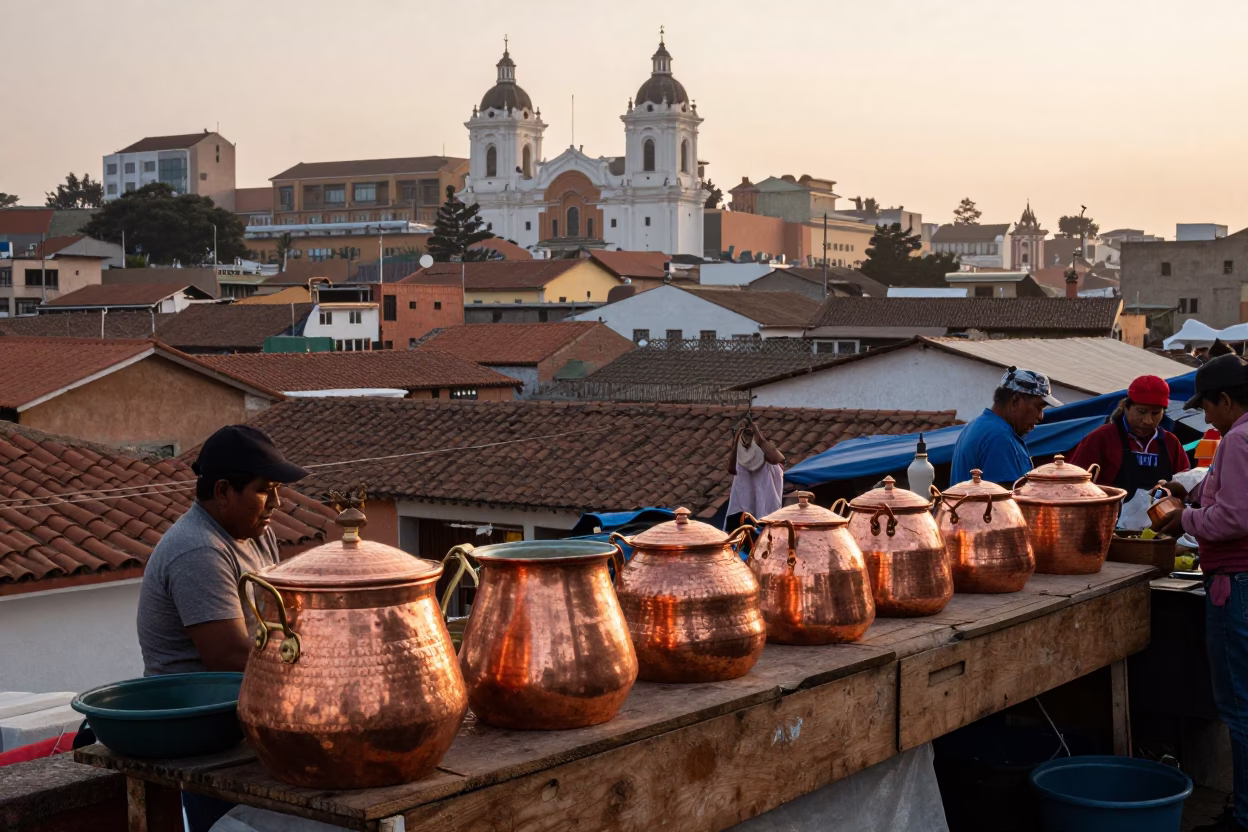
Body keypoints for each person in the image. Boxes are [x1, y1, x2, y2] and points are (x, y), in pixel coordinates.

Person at [136, 424, 308, 832]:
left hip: (244, 711)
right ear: (224, 491)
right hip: (202, 730)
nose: (276, 503)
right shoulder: (198, 549)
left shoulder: (253, 534)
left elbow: (277, 621)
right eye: (265, 489)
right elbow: (229, 656)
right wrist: (316, 673)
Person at [1152, 354, 1248, 832]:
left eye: (1208, 407)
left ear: (1226, 400)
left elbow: (1233, 518)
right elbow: (1221, 491)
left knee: (1238, 707)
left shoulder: (1238, 439)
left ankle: (1244, 817)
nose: (1205, 418)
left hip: (1236, 584)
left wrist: (1182, 519)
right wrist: (1187, 490)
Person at [1068, 375, 1189, 499]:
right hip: (1109, 515)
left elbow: (1185, 486)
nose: (1148, 421)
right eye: (1141, 411)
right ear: (1125, 406)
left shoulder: (1170, 443)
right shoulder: (1101, 438)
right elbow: (1073, 485)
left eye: (1155, 413)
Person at [950, 366, 1061, 486]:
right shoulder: (1000, 438)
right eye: (1038, 407)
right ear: (1015, 401)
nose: (1040, 416)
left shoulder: (975, 426)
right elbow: (1007, 500)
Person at [725, 415, 785, 526]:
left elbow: (779, 459)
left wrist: (759, 437)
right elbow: (731, 469)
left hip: (767, 511)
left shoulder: (767, 454)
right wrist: (736, 439)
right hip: (742, 510)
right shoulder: (742, 456)